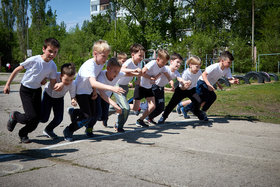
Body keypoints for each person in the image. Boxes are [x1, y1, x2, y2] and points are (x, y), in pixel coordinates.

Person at [63, 40, 125, 141]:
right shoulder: (90, 65)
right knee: (87, 116)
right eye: (103, 56)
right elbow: (93, 82)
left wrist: (95, 91)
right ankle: (69, 130)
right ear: (95, 54)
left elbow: (95, 79)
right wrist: (112, 88)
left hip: (90, 91)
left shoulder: (100, 63)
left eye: (107, 56)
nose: (105, 59)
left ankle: (75, 113)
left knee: (97, 115)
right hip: (81, 92)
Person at [4, 38, 62, 143]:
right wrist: (7, 84)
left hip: (36, 91)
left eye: (55, 52)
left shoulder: (53, 66)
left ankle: (23, 134)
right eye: (50, 51)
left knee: (36, 119)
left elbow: (53, 82)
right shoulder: (34, 60)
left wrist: (57, 84)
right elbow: (17, 69)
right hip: (25, 90)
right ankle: (15, 116)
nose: (52, 54)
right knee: (31, 116)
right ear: (43, 49)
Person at [181, 51, 239, 120]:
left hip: (208, 84)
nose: (230, 64)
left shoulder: (227, 69)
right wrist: (209, 85)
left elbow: (229, 79)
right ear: (222, 61)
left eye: (231, 63)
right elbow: (204, 74)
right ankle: (195, 111)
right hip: (202, 82)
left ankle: (196, 111)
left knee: (210, 98)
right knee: (203, 99)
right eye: (229, 62)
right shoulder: (214, 66)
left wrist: (233, 81)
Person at [91, 57, 136, 133]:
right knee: (97, 114)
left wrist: (139, 73)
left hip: (106, 97)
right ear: (108, 68)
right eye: (115, 71)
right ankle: (88, 127)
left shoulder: (117, 74)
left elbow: (127, 74)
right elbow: (102, 94)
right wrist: (115, 105)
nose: (117, 74)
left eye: (118, 71)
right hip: (97, 95)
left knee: (103, 116)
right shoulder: (101, 77)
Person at [158, 56, 206, 124]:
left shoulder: (199, 71)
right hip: (181, 90)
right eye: (196, 66)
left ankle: (196, 112)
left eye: (199, 67)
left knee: (198, 101)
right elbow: (182, 87)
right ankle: (164, 116)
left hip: (192, 89)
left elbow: (202, 78)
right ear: (190, 65)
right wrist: (185, 86)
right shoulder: (185, 73)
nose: (198, 69)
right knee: (172, 104)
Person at [134, 49, 170, 128]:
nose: (164, 64)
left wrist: (171, 81)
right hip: (141, 86)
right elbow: (142, 72)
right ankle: (118, 106)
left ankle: (140, 120)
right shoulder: (152, 63)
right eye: (163, 62)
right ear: (158, 59)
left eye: (166, 63)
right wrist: (150, 77)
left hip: (148, 87)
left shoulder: (162, 67)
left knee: (153, 106)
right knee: (135, 108)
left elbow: (168, 75)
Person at [40, 63, 77, 139]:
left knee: (59, 119)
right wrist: (43, 79)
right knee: (44, 118)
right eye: (66, 79)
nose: (69, 81)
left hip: (59, 99)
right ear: (61, 75)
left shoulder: (72, 84)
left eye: (71, 79)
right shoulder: (55, 75)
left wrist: (73, 100)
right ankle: (31, 117)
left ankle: (48, 130)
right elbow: (45, 76)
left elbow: (73, 96)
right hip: (48, 96)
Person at [146, 52, 185, 124]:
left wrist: (184, 82)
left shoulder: (176, 73)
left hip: (160, 89)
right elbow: (160, 75)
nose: (179, 64)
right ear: (171, 61)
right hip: (154, 87)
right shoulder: (165, 68)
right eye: (177, 62)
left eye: (180, 63)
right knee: (153, 105)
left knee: (161, 108)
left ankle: (149, 117)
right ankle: (140, 107)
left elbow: (180, 79)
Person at [113, 44, 144, 132]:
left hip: (125, 87)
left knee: (119, 106)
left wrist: (138, 80)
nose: (141, 58)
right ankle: (119, 125)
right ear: (133, 55)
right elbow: (121, 70)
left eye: (143, 56)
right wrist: (133, 71)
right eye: (140, 56)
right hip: (117, 86)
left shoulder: (138, 63)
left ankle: (103, 113)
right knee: (126, 108)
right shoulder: (129, 62)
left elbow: (138, 74)